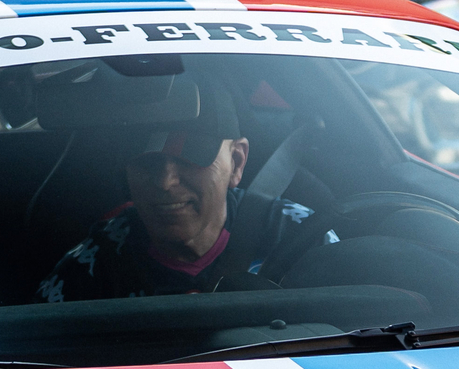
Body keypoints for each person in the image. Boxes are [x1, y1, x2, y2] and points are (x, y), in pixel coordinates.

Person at [38, 80, 332, 301]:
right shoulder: (92, 267)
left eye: (190, 159)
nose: (165, 182)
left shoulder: (302, 237)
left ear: (237, 162)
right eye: (147, 162)